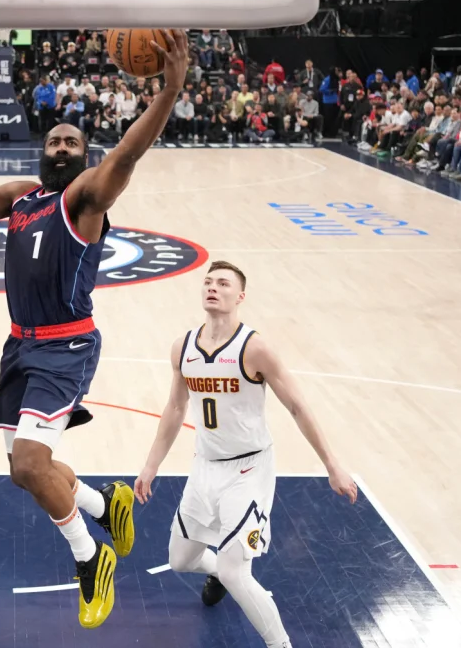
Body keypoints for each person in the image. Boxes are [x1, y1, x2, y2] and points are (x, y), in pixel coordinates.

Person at [0, 28, 190, 630]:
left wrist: (169, 92)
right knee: (33, 471)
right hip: (20, 346)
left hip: (66, 346)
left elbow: (125, 154)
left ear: (82, 154)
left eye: (72, 141)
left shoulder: (85, 200)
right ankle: (106, 504)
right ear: (40, 150)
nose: (61, 146)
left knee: (27, 465)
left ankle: (90, 554)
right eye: (53, 139)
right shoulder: (22, 198)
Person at [132, 260, 359, 648]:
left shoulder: (255, 348)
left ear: (240, 296)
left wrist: (332, 465)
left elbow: (298, 407)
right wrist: (150, 465)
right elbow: (174, 408)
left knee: (237, 572)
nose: (212, 288)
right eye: (207, 282)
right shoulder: (183, 347)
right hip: (204, 466)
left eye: (223, 283)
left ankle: (281, 644)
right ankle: (216, 573)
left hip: (250, 468)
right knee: (181, 560)